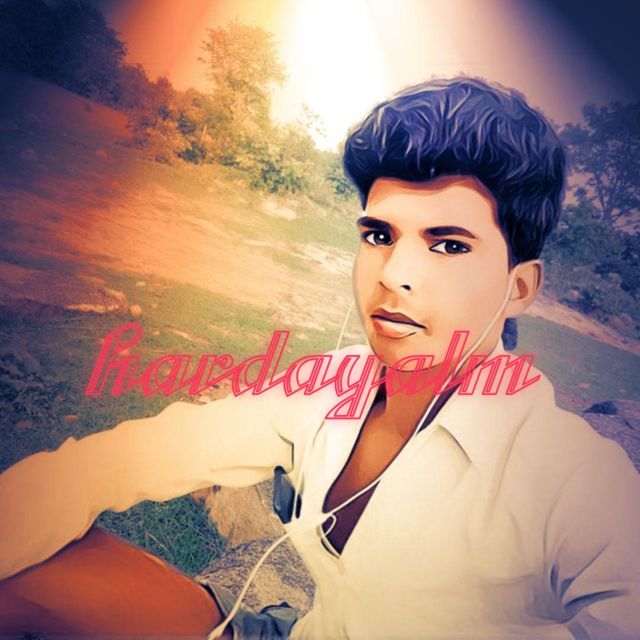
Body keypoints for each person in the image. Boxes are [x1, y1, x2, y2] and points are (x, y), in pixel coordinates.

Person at [1, 77, 639, 639]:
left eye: (448, 245)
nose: (394, 275)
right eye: (379, 235)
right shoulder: (329, 386)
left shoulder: (569, 475)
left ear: (519, 287)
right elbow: (130, 457)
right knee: (31, 570)